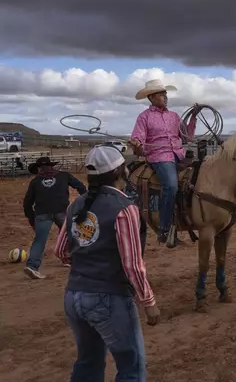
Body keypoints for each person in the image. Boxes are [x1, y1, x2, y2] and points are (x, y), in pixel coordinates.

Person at [54, 145, 159, 381]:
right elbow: (132, 264)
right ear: (119, 172)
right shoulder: (125, 208)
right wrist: (148, 301)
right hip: (109, 298)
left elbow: (61, 251)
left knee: (88, 363)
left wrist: (88, 261)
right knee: (131, 368)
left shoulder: (75, 205)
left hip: (74, 296)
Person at [129, 79, 198, 244]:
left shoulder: (174, 116)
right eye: (161, 94)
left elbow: (187, 137)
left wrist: (193, 117)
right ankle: (164, 229)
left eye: (165, 94)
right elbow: (138, 139)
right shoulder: (144, 117)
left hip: (179, 154)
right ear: (151, 97)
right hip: (159, 156)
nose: (165, 97)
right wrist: (137, 144)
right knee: (171, 185)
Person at [22, 156, 87, 279]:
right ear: (52, 166)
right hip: (61, 211)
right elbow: (80, 186)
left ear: (39, 168)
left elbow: (27, 203)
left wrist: (31, 218)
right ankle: (72, 259)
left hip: (42, 214)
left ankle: (32, 265)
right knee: (72, 234)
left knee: (39, 240)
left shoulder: (35, 181)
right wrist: (85, 201)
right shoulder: (63, 176)